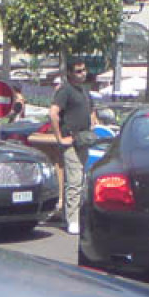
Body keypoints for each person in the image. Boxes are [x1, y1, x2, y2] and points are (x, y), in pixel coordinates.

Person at [49, 58, 99, 235]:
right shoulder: (65, 91)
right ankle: (73, 220)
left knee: (81, 179)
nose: (83, 73)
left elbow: (92, 110)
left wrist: (93, 120)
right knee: (75, 180)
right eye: (78, 71)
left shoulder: (84, 91)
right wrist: (60, 138)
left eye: (84, 70)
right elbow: (53, 113)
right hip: (70, 141)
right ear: (70, 73)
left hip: (83, 140)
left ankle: (73, 216)